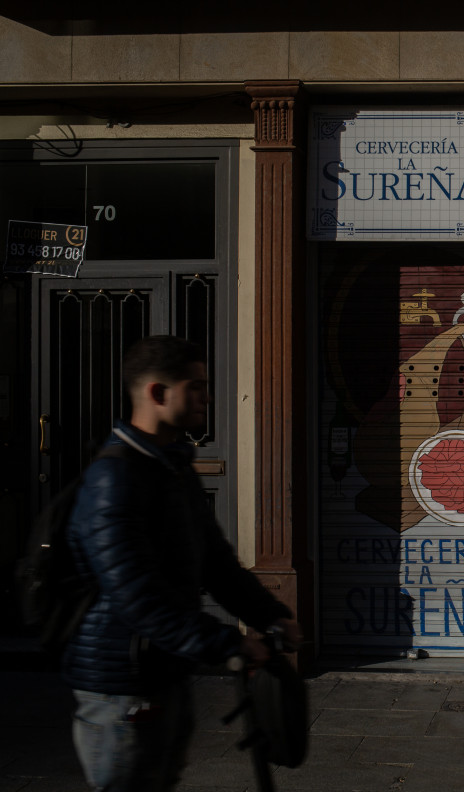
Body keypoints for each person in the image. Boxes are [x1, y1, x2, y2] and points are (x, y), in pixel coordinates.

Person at [62, 335, 301, 790]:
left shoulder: (172, 469)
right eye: (195, 386)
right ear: (157, 393)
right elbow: (138, 599)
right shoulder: (114, 480)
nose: (206, 397)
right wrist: (228, 643)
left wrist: (270, 614)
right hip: (121, 687)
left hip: (165, 670)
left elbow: (216, 563)